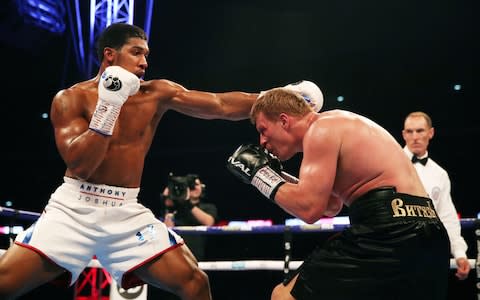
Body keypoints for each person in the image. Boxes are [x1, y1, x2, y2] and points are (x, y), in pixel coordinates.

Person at [0, 22, 322, 300]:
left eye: (146, 55)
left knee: (195, 283)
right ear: (109, 55)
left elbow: (220, 105)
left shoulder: (155, 94)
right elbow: (82, 165)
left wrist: (283, 96)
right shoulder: (70, 99)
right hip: (74, 209)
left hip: (125, 211)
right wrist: (109, 105)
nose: (144, 62)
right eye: (136, 52)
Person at [226, 88, 450, 300]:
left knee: (284, 296)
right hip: (429, 233)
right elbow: (331, 206)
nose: (262, 142)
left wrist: (259, 175)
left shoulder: (319, 129)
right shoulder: (337, 125)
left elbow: (309, 208)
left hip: (388, 231)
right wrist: (277, 175)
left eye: (263, 130)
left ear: (284, 120)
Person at [402, 111, 470, 280]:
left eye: (420, 131)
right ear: (404, 135)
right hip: (397, 249)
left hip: (428, 251)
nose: (415, 137)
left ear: (430, 133)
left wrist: (459, 252)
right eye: (410, 131)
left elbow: (447, 217)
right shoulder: (390, 163)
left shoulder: (439, 174)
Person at [161, 173, 218, 260]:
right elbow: (167, 229)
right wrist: (167, 198)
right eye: (191, 185)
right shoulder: (175, 208)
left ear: (202, 187)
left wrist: (187, 202)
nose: (194, 188)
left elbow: (208, 222)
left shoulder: (208, 207)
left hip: (198, 255)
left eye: (197, 184)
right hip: (177, 254)